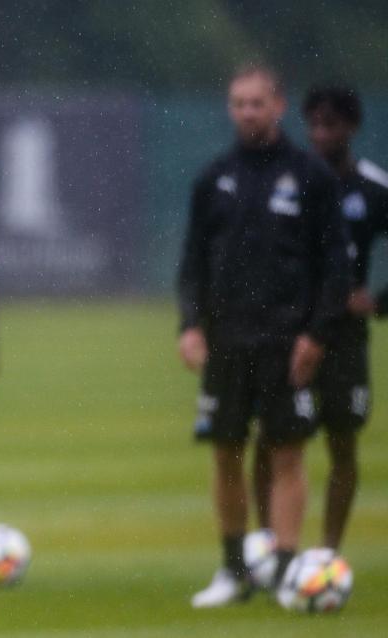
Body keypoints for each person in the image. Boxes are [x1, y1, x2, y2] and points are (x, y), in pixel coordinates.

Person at [177, 64, 350, 608]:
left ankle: (281, 571)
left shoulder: (310, 176)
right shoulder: (214, 178)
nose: (246, 113)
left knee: (287, 454)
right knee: (225, 453)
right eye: (237, 104)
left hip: (285, 340)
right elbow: (192, 264)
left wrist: (316, 335)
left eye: (256, 103)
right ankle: (232, 571)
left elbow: (335, 267)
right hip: (226, 341)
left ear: (278, 106)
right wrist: (189, 324)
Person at [251, 86, 388, 552]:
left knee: (342, 441)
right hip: (289, 330)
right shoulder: (290, 181)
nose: (320, 134)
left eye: (330, 125)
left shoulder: (373, 187)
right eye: (314, 125)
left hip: (345, 336)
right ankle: (268, 544)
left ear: (351, 127)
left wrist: (379, 300)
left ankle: (327, 552)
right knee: (272, 438)